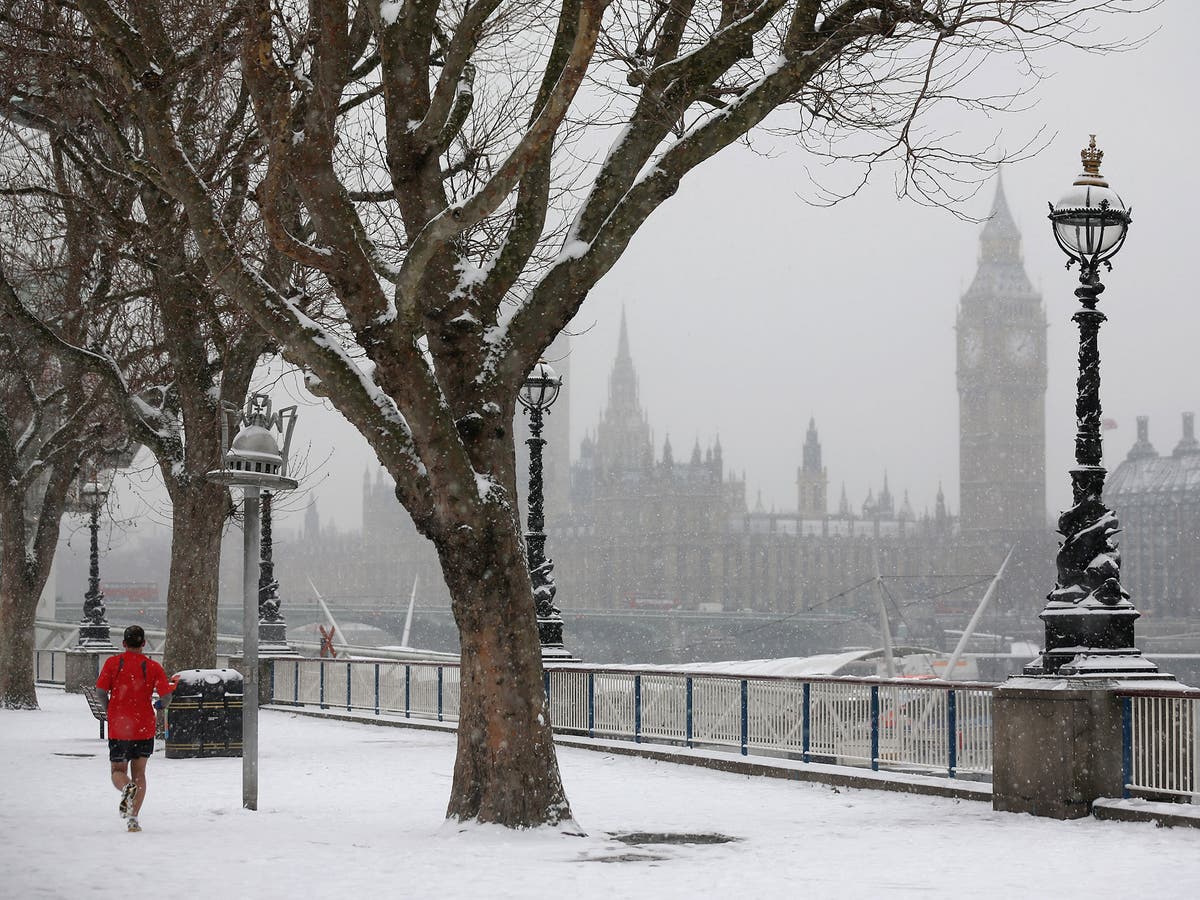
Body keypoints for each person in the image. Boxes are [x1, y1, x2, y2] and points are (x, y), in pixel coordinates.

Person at [95, 625, 177, 832]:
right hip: (143, 726)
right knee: (139, 772)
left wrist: (111, 710)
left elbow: (101, 691)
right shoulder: (153, 666)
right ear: (143, 644)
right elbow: (166, 697)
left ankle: (126, 787)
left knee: (118, 770)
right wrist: (159, 705)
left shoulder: (113, 663)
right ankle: (133, 820)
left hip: (120, 727)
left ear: (123, 643)